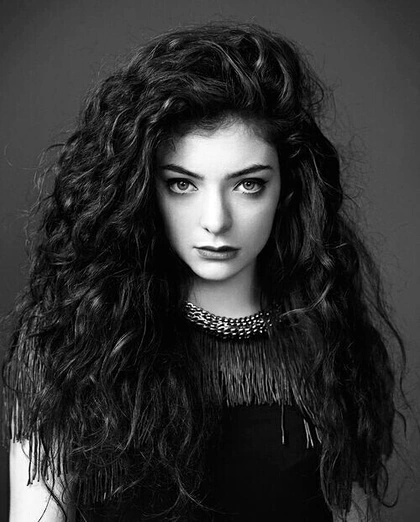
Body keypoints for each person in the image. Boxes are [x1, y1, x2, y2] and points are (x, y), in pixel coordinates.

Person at [2, 21, 405, 522]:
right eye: (182, 184)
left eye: (248, 185)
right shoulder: (71, 343)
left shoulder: (329, 341)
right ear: (139, 188)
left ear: (288, 189)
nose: (216, 220)